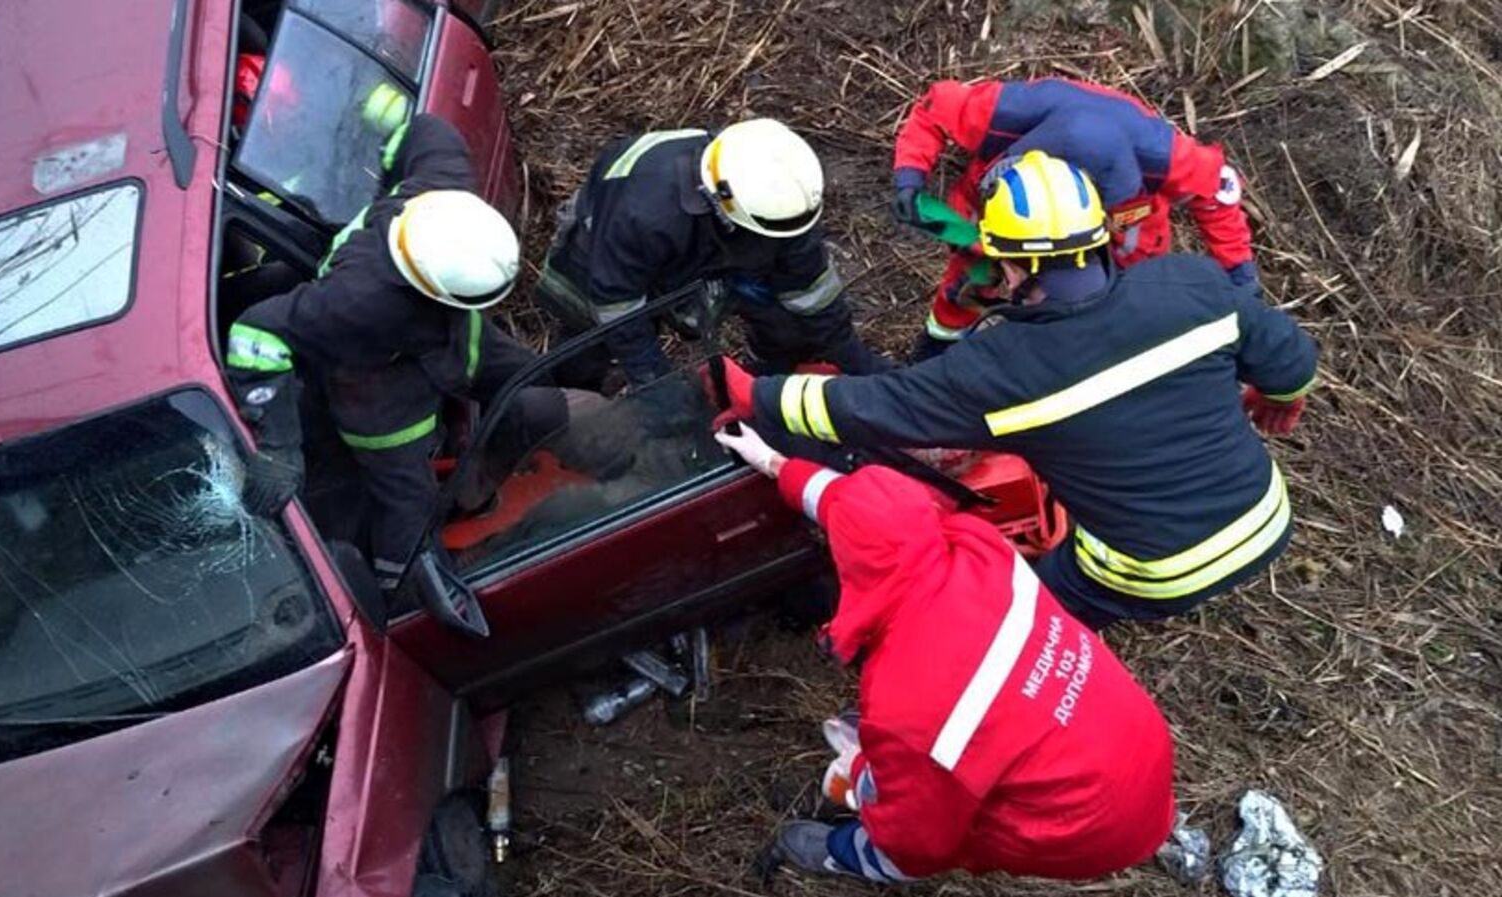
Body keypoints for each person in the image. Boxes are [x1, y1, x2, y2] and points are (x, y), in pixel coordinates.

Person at [714, 151, 1318, 628]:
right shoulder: (1189, 284)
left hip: (1158, 569)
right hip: (1266, 515)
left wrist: (758, 397)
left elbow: (871, 409)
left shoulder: (1004, 367)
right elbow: (1290, 358)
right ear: (1100, 239)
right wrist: (1280, 399)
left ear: (1013, 267)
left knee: (1015, 616)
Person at [711, 422, 1176, 882]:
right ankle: (894, 764)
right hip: (1139, 751)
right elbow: (861, 507)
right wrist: (775, 463)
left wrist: (862, 773)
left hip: (1090, 832)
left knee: (918, 831)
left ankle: (841, 852)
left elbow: (918, 841)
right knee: (929, 753)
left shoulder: (908, 702)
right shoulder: (983, 550)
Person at [225, 113, 557, 598]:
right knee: (408, 502)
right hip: (374, 380)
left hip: (454, 337)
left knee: (532, 376)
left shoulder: (441, 185)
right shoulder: (357, 303)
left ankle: (485, 469)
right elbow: (256, 334)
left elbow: (420, 126)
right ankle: (401, 596)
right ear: (431, 289)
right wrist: (279, 447)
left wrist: (383, 171)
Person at [892, 78, 1258, 353]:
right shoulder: (1004, 112)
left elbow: (1217, 192)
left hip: (1122, 228)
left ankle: (1086, 353)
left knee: (1116, 298)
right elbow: (934, 108)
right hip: (999, 212)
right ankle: (938, 346)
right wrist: (910, 177)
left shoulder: (1164, 156)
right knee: (975, 275)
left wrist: (1238, 270)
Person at [533, 118, 892, 392]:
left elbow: (810, 285)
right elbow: (617, 305)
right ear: (721, 205)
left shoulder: (780, 200)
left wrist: (850, 355)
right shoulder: (643, 213)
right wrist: (654, 381)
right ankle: (569, 399)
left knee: (788, 322)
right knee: (588, 339)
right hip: (606, 248)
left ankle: (769, 376)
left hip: (711, 247)